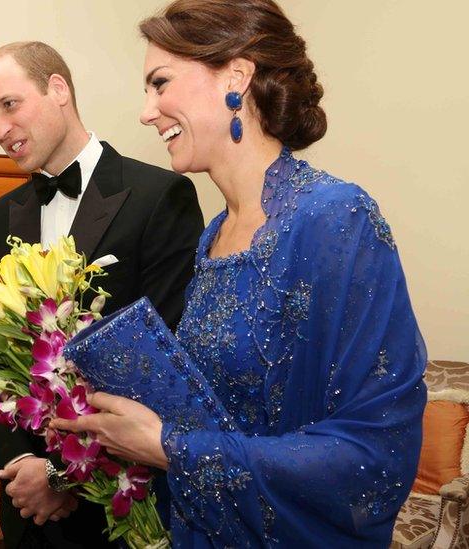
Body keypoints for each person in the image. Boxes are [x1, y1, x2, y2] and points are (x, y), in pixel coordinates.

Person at [52, 0, 426, 546]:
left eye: (160, 83)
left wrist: (169, 448)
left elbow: (375, 451)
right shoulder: (213, 237)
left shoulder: (335, 219)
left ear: (236, 75)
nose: (146, 112)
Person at [0, 41, 204, 547]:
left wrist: (61, 473)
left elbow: (165, 360)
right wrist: (20, 462)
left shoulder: (159, 196)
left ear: (58, 88)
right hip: (27, 508)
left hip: (121, 502)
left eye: (9, 106)